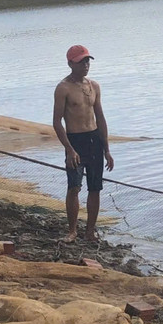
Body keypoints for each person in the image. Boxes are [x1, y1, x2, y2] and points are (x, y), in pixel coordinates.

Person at [52, 44, 113, 242]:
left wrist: (107, 149)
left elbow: (100, 117)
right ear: (70, 64)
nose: (85, 65)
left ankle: (90, 232)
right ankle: (72, 230)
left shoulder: (94, 86)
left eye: (87, 61)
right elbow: (57, 122)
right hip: (75, 140)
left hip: (94, 139)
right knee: (74, 187)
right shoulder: (63, 88)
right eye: (81, 62)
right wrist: (69, 149)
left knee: (95, 188)